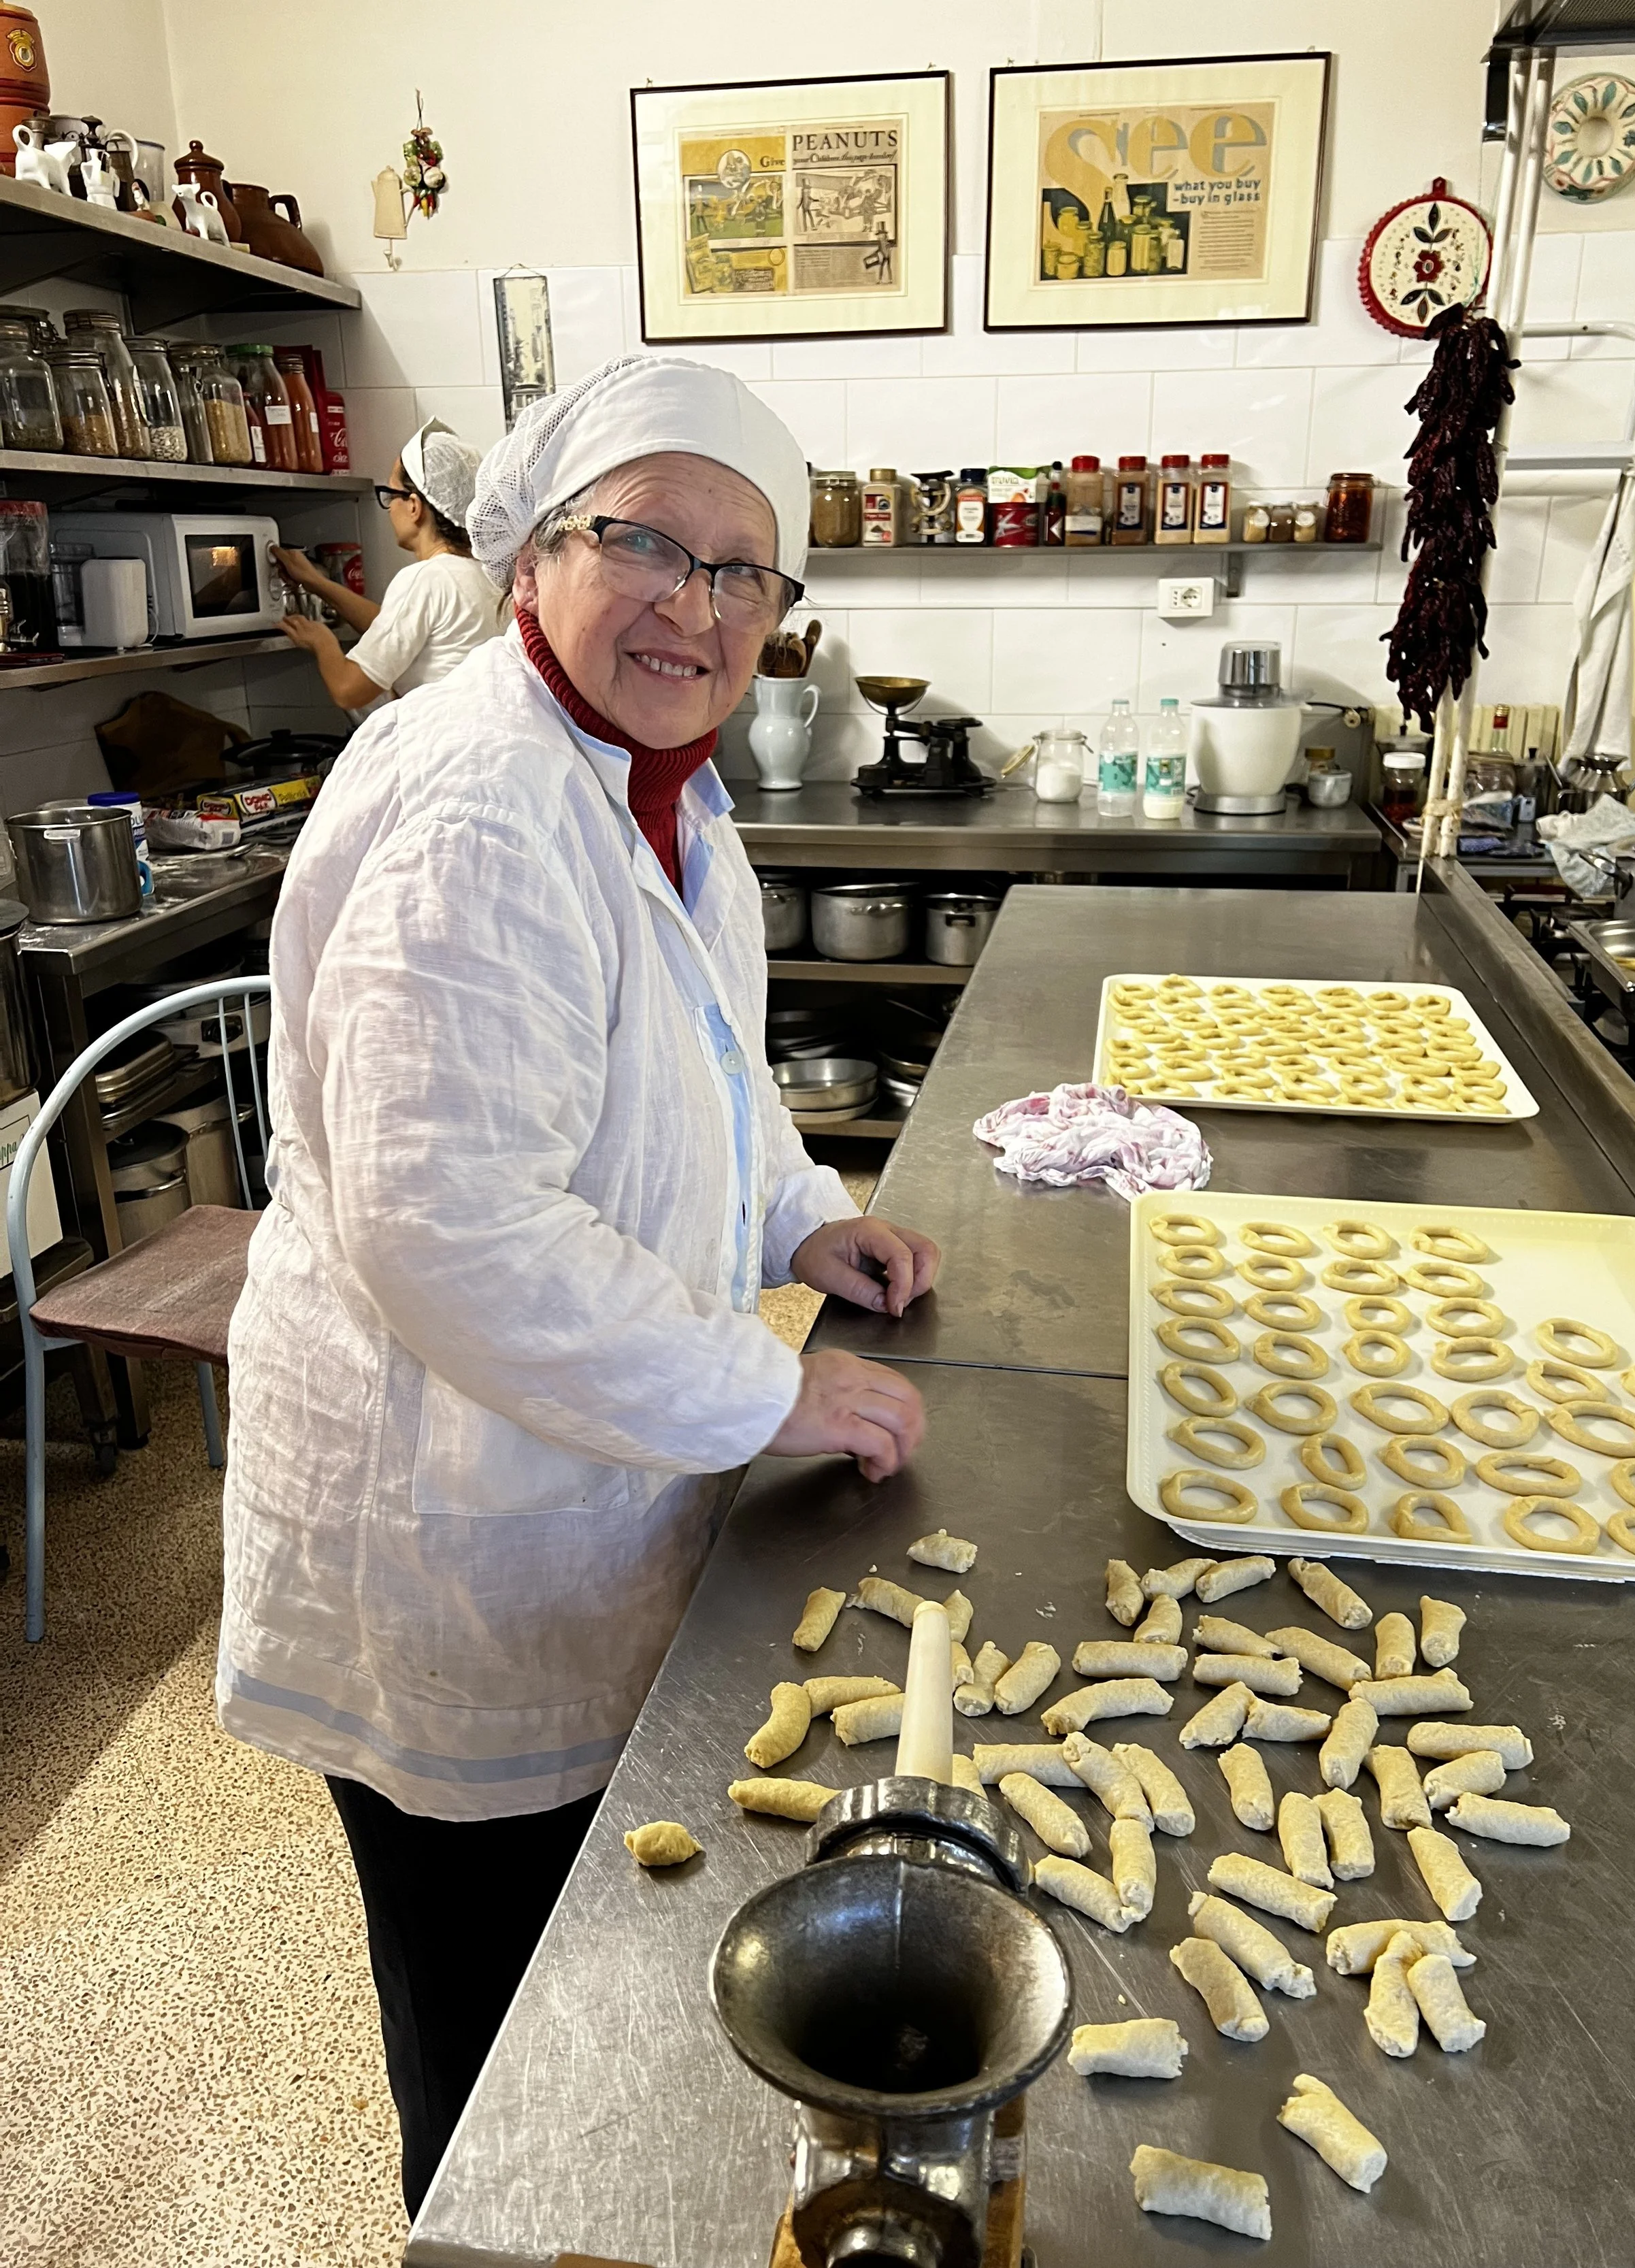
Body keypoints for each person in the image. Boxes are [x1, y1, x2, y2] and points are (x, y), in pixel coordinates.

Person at [217, 353, 940, 2218]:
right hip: (449, 1515)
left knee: (581, 1979)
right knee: (492, 2043)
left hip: (567, 1474)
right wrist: (770, 1386)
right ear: (534, 554)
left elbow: (700, 1075)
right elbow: (452, 1227)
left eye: (742, 570)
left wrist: (798, 1218)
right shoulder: (485, 803)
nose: (695, 605)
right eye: (646, 545)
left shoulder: (653, 789)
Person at [270, 418, 501, 711]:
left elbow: (348, 690)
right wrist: (317, 582)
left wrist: (322, 641)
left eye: (391, 495)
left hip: (443, 734)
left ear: (414, 506)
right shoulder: (487, 573)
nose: (389, 507)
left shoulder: (426, 578)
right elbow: (395, 627)